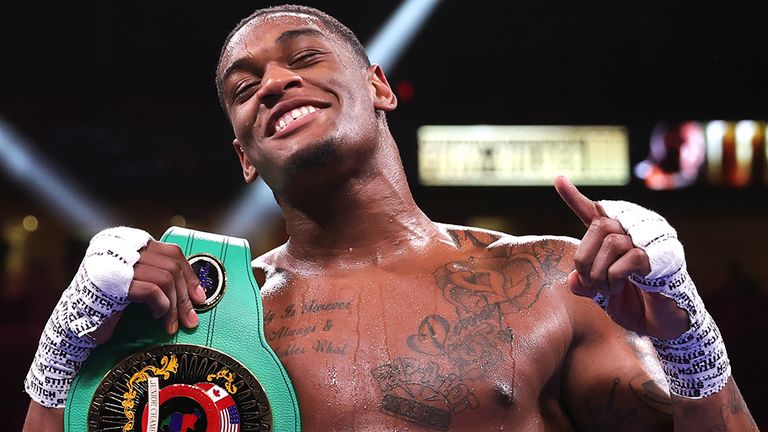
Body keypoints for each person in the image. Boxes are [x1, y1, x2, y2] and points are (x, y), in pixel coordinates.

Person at [23, 4, 757, 431]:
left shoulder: (549, 278)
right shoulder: (200, 320)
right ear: (244, 155)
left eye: (302, 57)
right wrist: (66, 346)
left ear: (379, 86)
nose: (275, 83)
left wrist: (685, 329)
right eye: (245, 89)